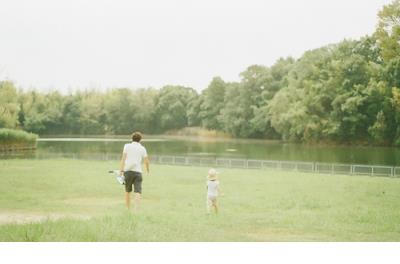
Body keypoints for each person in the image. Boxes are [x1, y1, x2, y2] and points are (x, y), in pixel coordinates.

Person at [119, 132, 149, 212]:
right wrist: (147, 170)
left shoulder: (127, 146)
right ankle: (136, 210)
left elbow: (123, 159)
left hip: (128, 172)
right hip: (138, 173)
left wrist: (121, 170)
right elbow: (146, 161)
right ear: (140, 140)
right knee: (138, 192)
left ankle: (128, 209)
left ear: (132, 138)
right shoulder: (142, 148)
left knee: (127, 191)